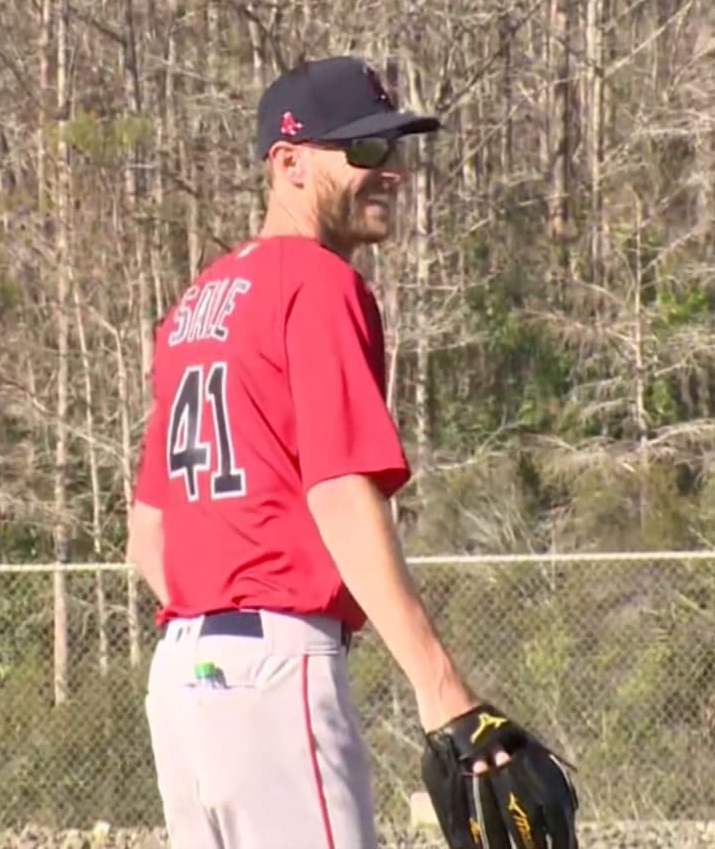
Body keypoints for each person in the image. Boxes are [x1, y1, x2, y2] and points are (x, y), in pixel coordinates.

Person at [124, 55, 497, 849]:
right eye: (363, 149)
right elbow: (339, 492)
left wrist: (224, 619)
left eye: (392, 148)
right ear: (289, 163)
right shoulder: (319, 284)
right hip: (274, 673)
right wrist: (439, 686)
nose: (390, 169)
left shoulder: (196, 307)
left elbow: (149, 535)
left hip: (184, 682)